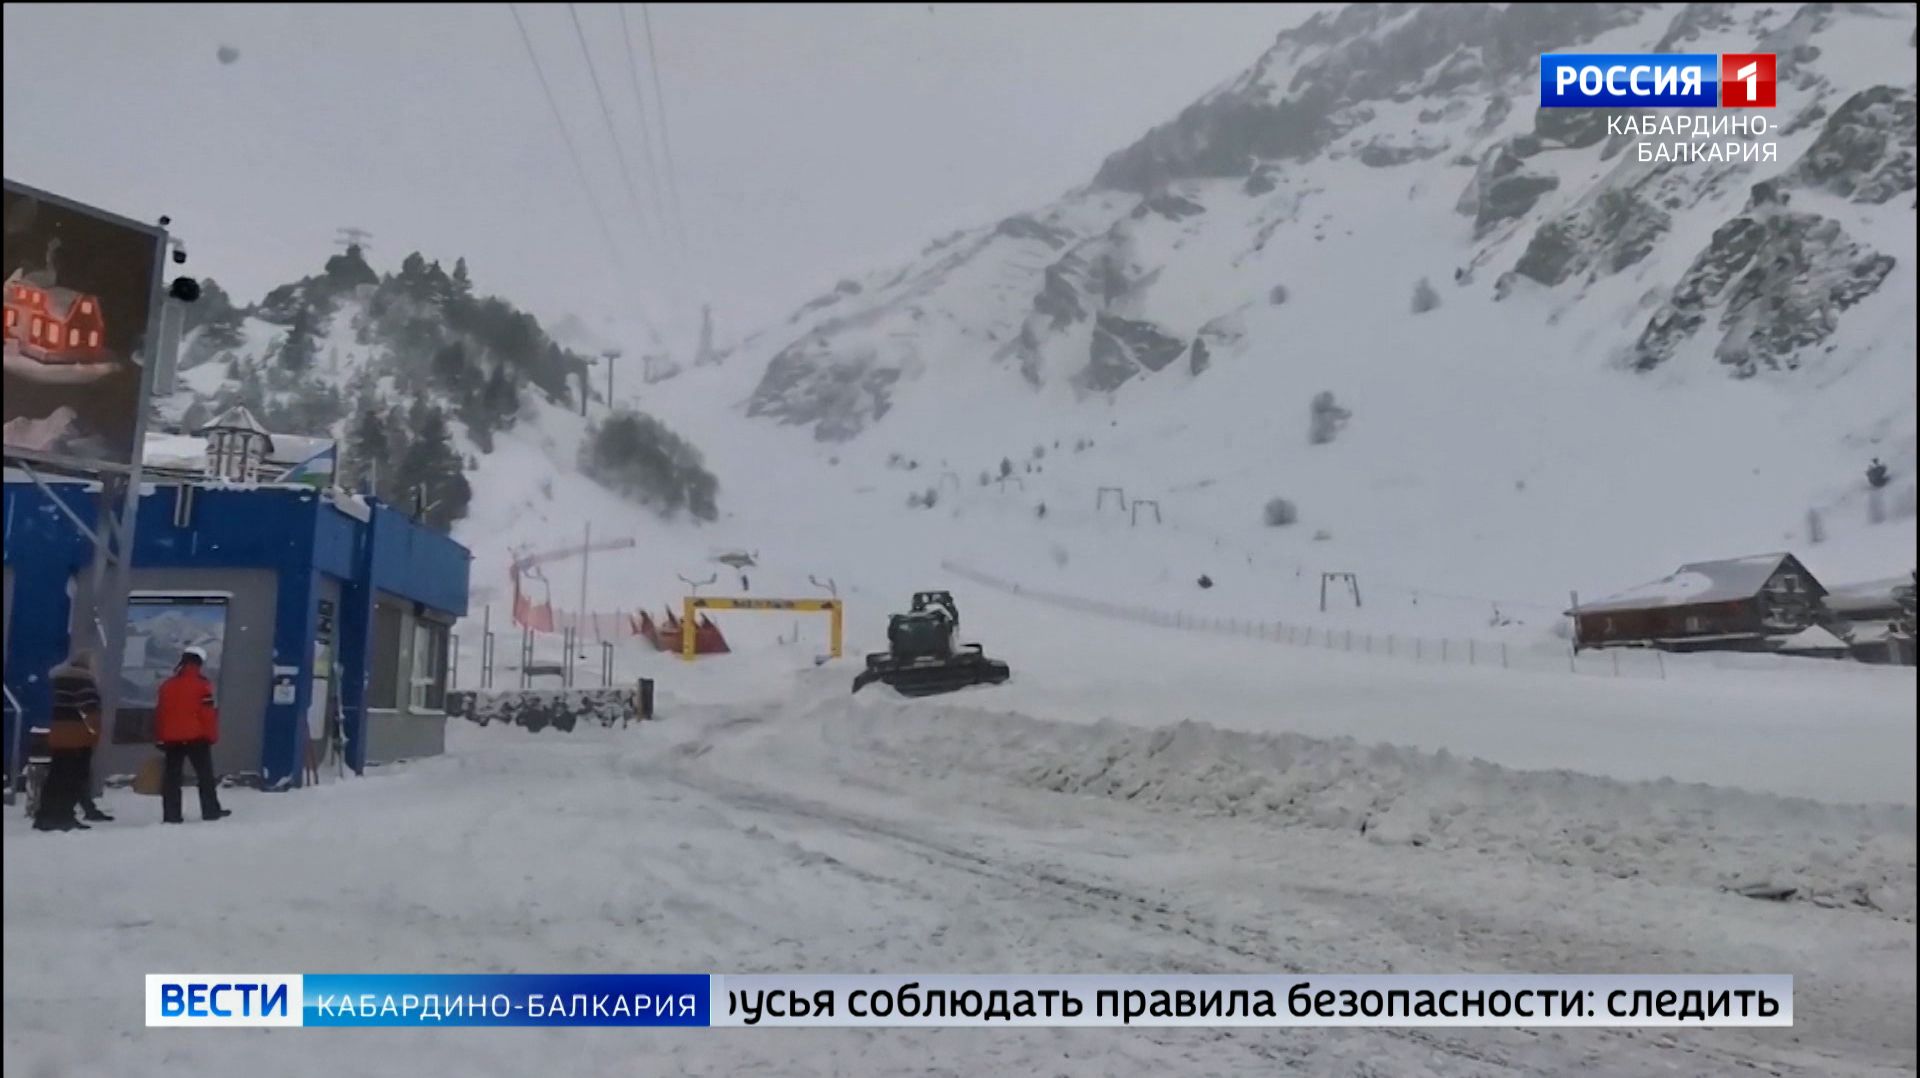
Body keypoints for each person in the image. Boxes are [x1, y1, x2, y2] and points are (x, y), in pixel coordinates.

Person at [153, 646, 229, 824]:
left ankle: (172, 815)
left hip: (172, 738)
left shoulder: (167, 685)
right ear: (199, 664)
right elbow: (207, 714)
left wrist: (160, 736)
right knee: (204, 775)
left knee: (172, 778)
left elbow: (160, 713)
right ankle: (210, 810)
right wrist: (212, 736)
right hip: (197, 737)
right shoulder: (202, 685)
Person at [35, 648, 103, 832]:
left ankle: (45, 816)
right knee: (72, 779)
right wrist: (95, 732)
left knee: (56, 777)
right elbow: (90, 710)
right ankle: (64, 816)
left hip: (59, 735)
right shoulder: (83, 681)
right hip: (77, 737)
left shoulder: (59, 681)